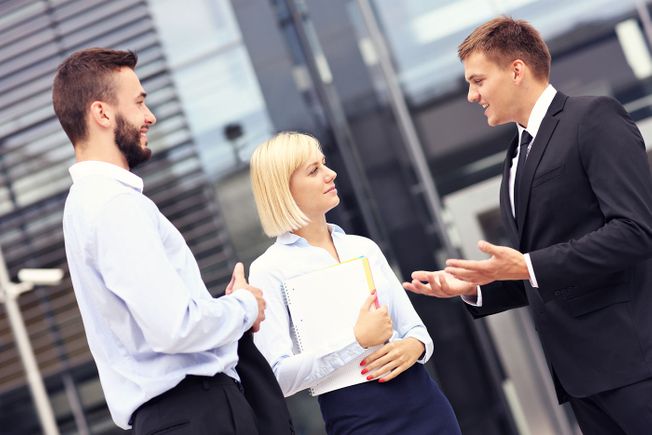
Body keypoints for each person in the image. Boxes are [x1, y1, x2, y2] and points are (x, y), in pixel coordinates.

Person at [403, 17, 652, 435]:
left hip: (635, 365)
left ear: (516, 70)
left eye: (478, 80)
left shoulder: (592, 119)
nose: (471, 95)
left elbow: (636, 231)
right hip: (582, 379)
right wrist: (478, 287)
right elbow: (547, 269)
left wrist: (526, 266)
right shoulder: (515, 155)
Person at [54, 48, 293, 434]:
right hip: (197, 413)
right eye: (139, 103)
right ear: (102, 114)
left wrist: (223, 310)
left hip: (181, 415)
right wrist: (245, 306)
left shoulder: (85, 204)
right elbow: (175, 328)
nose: (150, 117)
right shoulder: (114, 204)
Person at [248, 131, 461, 435]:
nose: (330, 173)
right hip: (358, 421)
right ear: (284, 190)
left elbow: (416, 331)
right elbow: (278, 377)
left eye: (323, 164)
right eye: (314, 170)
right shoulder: (269, 271)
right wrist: (356, 341)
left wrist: (415, 346)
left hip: (424, 402)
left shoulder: (363, 248)